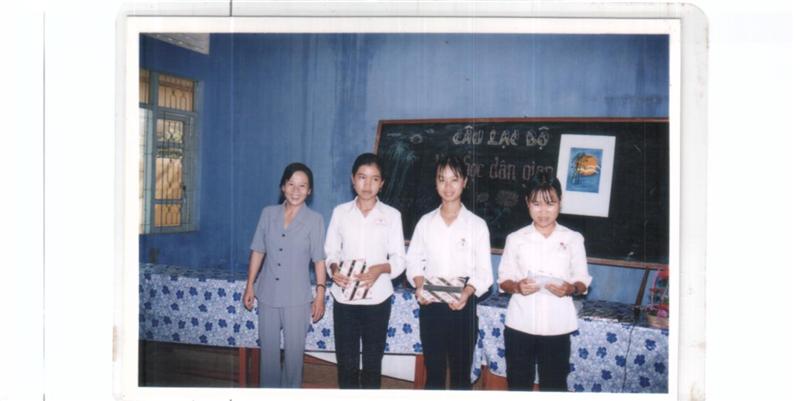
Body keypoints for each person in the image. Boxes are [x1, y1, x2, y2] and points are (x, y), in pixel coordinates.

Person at [497, 172, 592, 391]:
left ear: (560, 202)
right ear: (527, 203)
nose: (543, 211)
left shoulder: (573, 239)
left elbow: (582, 281)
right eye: (536, 204)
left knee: (554, 386)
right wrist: (517, 286)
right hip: (520, 324)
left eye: (550, 204)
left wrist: (570, 288)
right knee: (518, 385)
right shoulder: (515, 239)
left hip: (557, 327)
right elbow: (504, 280)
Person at [406, 155, 493, 390]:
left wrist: (467, 293)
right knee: (433, 373)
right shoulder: (425, 222)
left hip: (464, 305)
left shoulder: (477, 225)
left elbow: (484, 272)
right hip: (431, 304)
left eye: (454, 179)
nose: (448, 186)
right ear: (435, 183)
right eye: (441, 179)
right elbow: (413, 261)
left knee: (460, 376)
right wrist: (419, 285)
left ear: (465, 182)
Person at [324, 153, 406, 389]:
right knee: (346, 362)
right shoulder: (340, 212)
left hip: (378, 299)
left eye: (374, 179)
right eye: (362, 177)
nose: (367, 185)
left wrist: (381, 268)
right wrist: (334, 268)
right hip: (344, 298)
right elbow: (331, 252)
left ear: (382, 183)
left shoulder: (392, 216)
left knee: (372, 361)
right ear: (353, 179)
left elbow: (400, 259)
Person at [243, 162, 327, 388]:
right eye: (291, 184)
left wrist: (320, 295)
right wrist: (250, 285)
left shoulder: (315, 220)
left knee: (293, 359)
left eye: (302, 186)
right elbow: (258, 250)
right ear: (283, 186)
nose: (296, 190)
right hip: (267, 294)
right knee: (268, 357)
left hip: (297, 298)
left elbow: (319, 260)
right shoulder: (268, 214)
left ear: (309, 191)